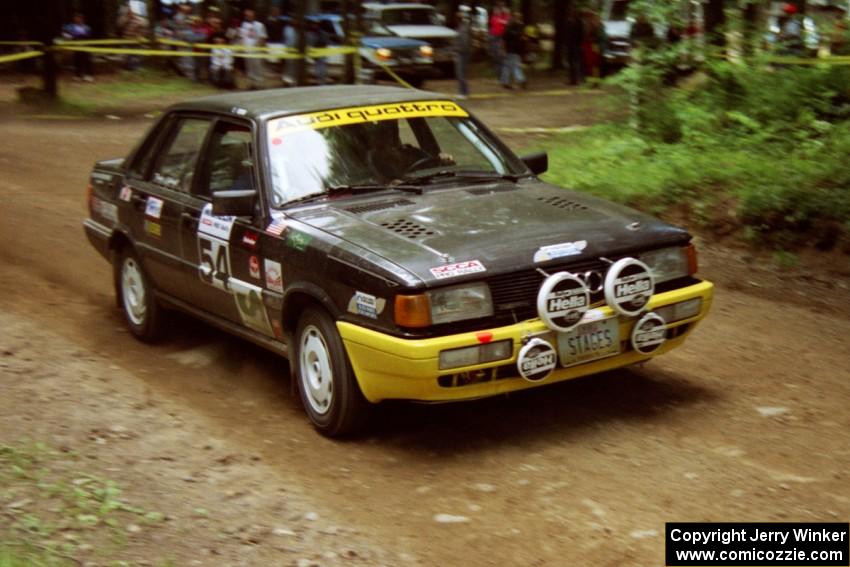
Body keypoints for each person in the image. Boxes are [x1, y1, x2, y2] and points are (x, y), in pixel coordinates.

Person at [239, 9, 268, 90]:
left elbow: (262, 37)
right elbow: (242, 36)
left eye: (249, 15)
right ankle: (251, 84)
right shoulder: (244, 24)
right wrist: (242, 47)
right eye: (246, 15)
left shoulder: (259, 25)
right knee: (249, 67)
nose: (247, 16)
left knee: (257, 66)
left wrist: (261, 48)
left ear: (253, 15)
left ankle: (259, 84)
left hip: (256, 49)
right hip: (247, 49)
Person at [62, 13, 94, 82]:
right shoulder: (70, 26)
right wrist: (66, 35)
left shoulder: (86, 27)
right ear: (74, 19)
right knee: (77, 61)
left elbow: (89, 35)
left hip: (85, 45)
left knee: (87, 60)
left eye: (80, 18)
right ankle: (77, 75)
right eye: (76, 18)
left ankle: (87, 75)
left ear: (82, 19)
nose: (78, 19)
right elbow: (64, 32)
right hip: (76, 46)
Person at [501, 11, 526, 90]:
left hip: (510, 49)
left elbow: (504, 40)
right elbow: (522, 39)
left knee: (509, 66)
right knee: (512, 66)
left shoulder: (509, 27)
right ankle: (507, 82)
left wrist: (503, 49)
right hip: (516, 50)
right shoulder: (520, 27)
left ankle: (518, 80)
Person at [488, 2, 510, 78]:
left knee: (501, 55)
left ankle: (502, 74)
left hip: (500, 37)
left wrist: (504, 16)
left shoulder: (505, 16)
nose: (497, 11)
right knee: (496, 55)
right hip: (494, 36)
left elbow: (507, 22)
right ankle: (499, 73)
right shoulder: (494, 17)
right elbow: (495, 23)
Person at [454, 10, 472, 98]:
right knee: (462, 73)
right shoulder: (462, 27)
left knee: (461, 73)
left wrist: (460, 50)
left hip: (462, 52)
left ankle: (463, 92)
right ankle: (464, 91)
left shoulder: (463, 28)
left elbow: (464, 41)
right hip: (463, 52)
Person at [564, 5, 583, 85]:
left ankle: (577, 80)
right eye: (570, 12)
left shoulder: (579, 22)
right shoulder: (568, 21)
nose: (571, 13)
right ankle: (571, 80)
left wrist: (580, 43)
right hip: (570, 45)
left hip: (577, 45)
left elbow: (581, 33)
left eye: (573, 12)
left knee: (576, 63)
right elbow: (566, 33)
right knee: (570, 63)